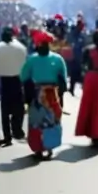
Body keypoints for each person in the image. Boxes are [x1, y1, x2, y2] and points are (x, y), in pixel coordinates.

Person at [20, 31, 68, 159]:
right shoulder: (34, 59)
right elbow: (24, 77)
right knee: (39, 122)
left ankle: (47, 147)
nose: (42, 47)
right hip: (38, 95)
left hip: (51, 94)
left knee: (49, 121)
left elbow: (63, 79)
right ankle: (40, 148)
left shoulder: (55, 59)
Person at [0, 27, 28, 145]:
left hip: (4, 80)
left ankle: (7, 136)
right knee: (19, 108)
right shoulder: (21, 48)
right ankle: (17, 129)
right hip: (17, 80)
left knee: (5, 110)